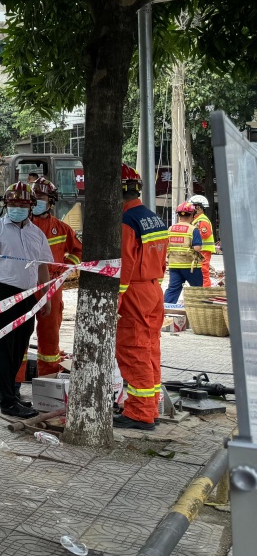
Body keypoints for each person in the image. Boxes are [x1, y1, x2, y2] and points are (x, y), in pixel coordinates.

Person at [0, 181, 51, 418]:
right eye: (13, 204)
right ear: (6, 205)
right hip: (3, 294)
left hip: (28, 297)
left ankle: (5, 395)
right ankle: (8, 401)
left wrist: (46, 297)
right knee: (3, 349)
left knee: (20, 347)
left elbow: (43, 267)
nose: (17, 209)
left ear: (31, 207)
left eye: (22, 205)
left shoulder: (36, 234)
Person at [115, 165, 169, 431]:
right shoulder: (153, 217)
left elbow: (125, 264)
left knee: (133, 349)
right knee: (150, 349)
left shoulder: (127, 221)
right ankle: (150, 407)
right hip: (153, 289)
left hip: (134, 292)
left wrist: (117, 298)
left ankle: (139, 413)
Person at [15, 177, 81, 382]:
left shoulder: (61, 228)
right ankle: (15, 382)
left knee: (49, 335)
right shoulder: (20, 226)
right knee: (19, 335)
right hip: (24, 284)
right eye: (34, 197)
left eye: (41, 197)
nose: (37, 201)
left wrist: (63, 269)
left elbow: (78, 251)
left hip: (52, 286)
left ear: (51, 201)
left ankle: (48, 380)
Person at [164, 201, 203, 307]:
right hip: (190, 266)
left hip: (174, 264)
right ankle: (197, 309)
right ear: (192, 215)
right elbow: (197, 247)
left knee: (173, 289)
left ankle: (165, 309)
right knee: (197, 290)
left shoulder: (170, 229)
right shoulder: (193, 229)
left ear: (179, 215)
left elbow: (166, 245)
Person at [188, 194, 216, 286]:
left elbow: (205, 234)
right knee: (200, 270)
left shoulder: (202, 220)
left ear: (198, 208)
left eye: (192, 207)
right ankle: (202, 288)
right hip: (201, 249)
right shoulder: (197, 220)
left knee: (203, 270)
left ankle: (205, 289)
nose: (191, 210)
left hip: (204, 250)